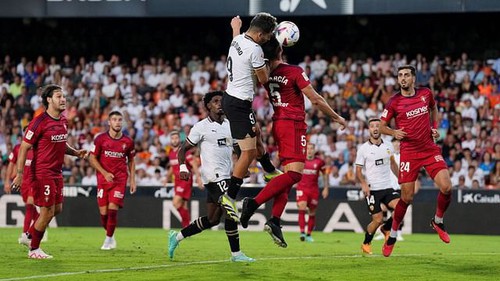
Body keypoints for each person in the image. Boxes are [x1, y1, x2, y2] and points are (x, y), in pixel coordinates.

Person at [239, 37, 347, 248]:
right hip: (293, 124)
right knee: (295, 175)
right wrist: (336, 117)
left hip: (278, 123)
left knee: (287, 177)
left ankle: (275, 220)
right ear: (280, 50)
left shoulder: (266, 75)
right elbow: (315, 99)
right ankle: (253, 203)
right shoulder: (294, 71)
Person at [168, 91, 254, 262]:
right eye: (215, 101)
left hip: (226, 175)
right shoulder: (201, 127)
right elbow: (183, 149)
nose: (219, 104)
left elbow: (237, 148)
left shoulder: (230, 125)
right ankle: (236, 254)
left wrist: (243, 166)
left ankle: (177, 237)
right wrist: (183, 167)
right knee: (230, 211)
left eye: (221, 101)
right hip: (212, 176)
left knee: (213, 219)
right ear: (208, 106)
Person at [379, 65, 452, 257]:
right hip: (409, 153)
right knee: (407, 198)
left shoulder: (426, 93)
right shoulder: (394, 102)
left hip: (429, 149)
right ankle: (392, 234)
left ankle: (438, 220)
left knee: (447, 187)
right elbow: (381, 126)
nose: (402, 78)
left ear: (413, 78)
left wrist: (434, 127)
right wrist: (393, 132)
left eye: (406, 75)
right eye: (400, 75)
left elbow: (434, 108)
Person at [11, 84, 88, 259]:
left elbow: (61, 142)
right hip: (42, 172)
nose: (63, 100)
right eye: (59, 96)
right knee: (47, 212)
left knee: (57, 209)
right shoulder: (39, 122)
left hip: (56, 172)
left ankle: (29, 234)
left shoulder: (62, 120)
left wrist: (75, 152)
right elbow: (23, 147)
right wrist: (20, 174)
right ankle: (34, 249)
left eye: (64, 97)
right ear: (49, 100)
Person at [221, 13, 280, 217]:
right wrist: (267, 63)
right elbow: (264, 79)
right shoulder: (255, 49)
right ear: (260, 34)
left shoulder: (237, 38)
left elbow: (236, 35)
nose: (269, 39)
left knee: (257, 139)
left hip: (233, 98)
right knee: (248, 153)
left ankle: (270, 171)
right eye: (269, 35)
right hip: (238, 104)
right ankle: (230, 195)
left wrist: (235, 26)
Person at [89, 111, 137, 250]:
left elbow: (132, 160)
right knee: (103, 214)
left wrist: (133, 180)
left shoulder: (128, 141)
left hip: (119, 180)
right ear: (109, 122)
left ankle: (107, 240)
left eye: (119, 119)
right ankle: (110, 235)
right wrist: (104, 173)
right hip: (103, 180)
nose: (117, 122)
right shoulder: (100, 139)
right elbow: (92, 158)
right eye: (114, 119)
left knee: (112, 210)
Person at [355, 118, 400, 255]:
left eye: (377, 126)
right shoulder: (363, 149)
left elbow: (392, 164)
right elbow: (358, 170)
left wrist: (402, 179)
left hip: (387, 187)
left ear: (381, 129)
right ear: (369, 129)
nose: (375, 128)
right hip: (372, 189)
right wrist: (364, 184)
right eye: (372, 126)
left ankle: (387, 228)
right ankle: (366, 242)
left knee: (400, 207)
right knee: (377, 219)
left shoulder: (388, 146)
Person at [4, 140, 38, 246]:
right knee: (31, 209)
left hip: (34, 182)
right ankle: (40, 224)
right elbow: (11, 164)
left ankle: (25, 234)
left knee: (29, 205)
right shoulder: (18, 148)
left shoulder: (38, 148)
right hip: (23, 183)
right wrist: (7, 181)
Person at [167, 130, 201, 228]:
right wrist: (166, 178)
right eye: (172, 138)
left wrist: (198, 178)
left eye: (176, 138)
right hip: (177, 182)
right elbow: (172, 167)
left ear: (179, 139)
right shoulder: (170, 152)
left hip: (185, 181)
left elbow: (193, 163)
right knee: (183, 205)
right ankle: (187, 228)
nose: (174, 140)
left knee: (175, 203)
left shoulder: (183, 151)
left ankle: (187, 226)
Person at [296, 143, 329, 243]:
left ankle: (308, 234)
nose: (309, 150)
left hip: (313, 190)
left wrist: (326, 188)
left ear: (314, 150)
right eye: (308, 148)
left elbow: (325, 174)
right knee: (302, 206)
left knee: (312, 212)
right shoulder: (300, 160)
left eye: (311, 148)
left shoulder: (320, 162)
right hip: (302, 188)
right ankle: (302, 232)